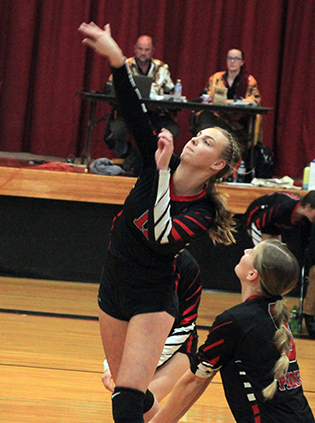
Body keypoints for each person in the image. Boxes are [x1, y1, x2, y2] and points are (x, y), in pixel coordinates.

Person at [78, 21, 241, 423]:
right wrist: (117, 59)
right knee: (127, 394)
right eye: (198, 135)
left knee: (126, 401)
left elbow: (160, 233)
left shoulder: (202, 211)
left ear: (217, 165)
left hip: (152, 298)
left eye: (206, 142)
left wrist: (164, 173)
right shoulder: (157, 159)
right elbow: (133, 111)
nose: (194, 139)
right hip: (113, 283)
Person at [150, 240, 315, 423]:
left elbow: (193, 382)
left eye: (251, 252)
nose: (245, 250)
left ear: (253, 274)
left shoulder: (235, 321)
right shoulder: (273, 314)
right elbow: (198, 380)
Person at [102, 249, 202, 422]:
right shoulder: (130, 258)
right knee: (125, 399)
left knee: (136, 400)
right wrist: (111, 362)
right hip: (139, 343)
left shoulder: (188, 267)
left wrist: (135, 363)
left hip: (177, 347)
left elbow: (185, 327)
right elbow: (117, 317)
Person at [244, 190, 315, 338]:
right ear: (308, 207)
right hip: (258, 220)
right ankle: (256, 304)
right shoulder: (285, 206)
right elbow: (259, 223)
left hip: (272, 226)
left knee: (276, 263)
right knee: (263, 264)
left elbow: (305, 242)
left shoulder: (303, 219)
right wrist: (259, 247)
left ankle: (272, 303)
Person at [103, 33, 179, 168]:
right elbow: (109, 87)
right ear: (134, 49)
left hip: (155, 113)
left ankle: (142, 158)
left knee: (173, 130)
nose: (143, 53)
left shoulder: (161, 67)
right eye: (140, 49)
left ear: (153, 51)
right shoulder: (125, 65)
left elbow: (172, 90)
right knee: (117, 129)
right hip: (129, 112)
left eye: (147, 50)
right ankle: (127, 153)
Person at [191, 48, 261, 153]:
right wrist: (207, 98)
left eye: (236, 59)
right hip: (216, 116)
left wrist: (230, 102)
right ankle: (203, 151)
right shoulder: (216, 78)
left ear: (241, 62)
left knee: (210, 125)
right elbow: (206, 94)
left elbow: (254, 100)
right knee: (204, 117)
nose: (232, 61)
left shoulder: (249, 81)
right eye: (230, 58)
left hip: (236, 122)